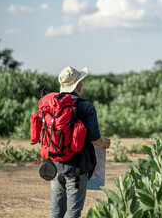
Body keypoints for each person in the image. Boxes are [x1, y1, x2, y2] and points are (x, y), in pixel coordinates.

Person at [51, 66, 111, 218]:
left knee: (56, 211)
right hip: (77, 168)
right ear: (78, 85)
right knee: (74, 211)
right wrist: (105, 143)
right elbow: (94, 139)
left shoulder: (52, 105)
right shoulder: (86, 106)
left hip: (54, 164)